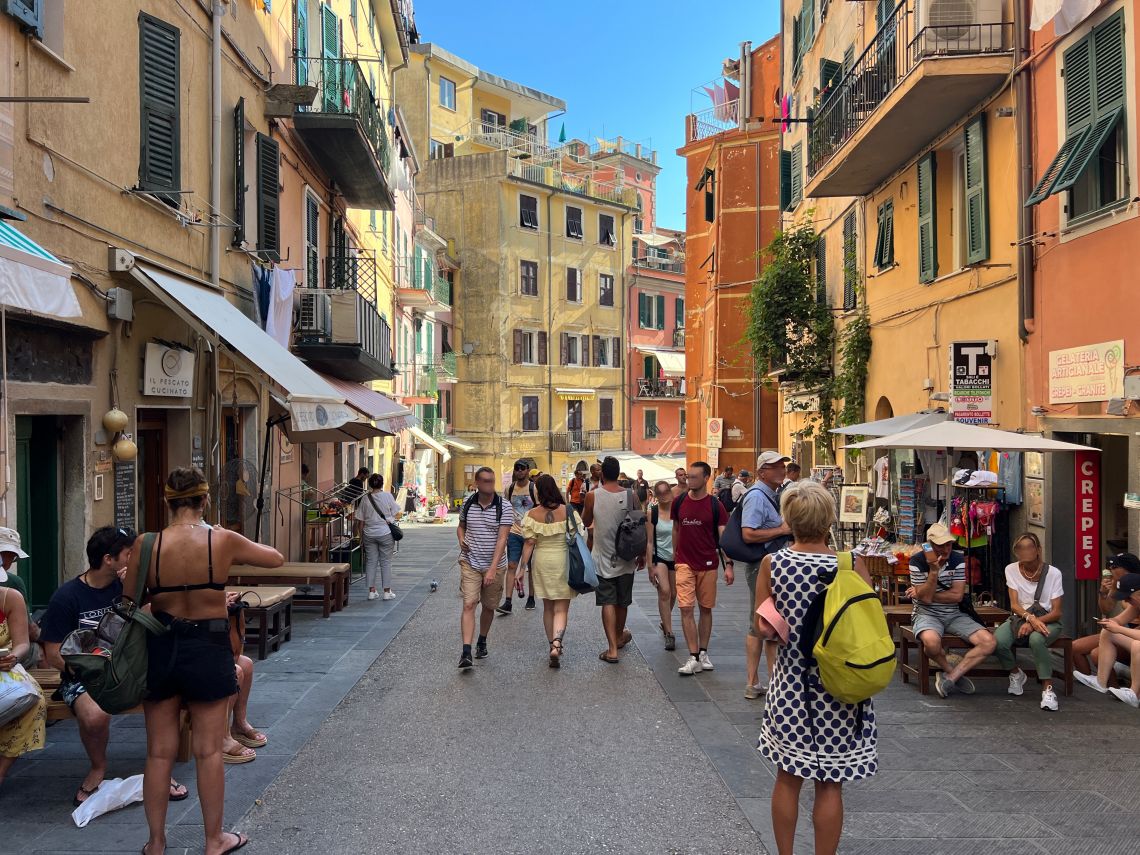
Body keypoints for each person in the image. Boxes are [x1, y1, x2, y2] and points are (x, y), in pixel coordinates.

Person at [122, 467, 283, 855]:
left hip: (161, 644)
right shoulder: (221, 540)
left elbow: (130, 599)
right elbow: (275, 558)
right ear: (204, 500)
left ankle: (156, 843)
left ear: (167, 502)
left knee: (159, 751)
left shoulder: (147, 544)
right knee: (209, 750)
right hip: (207, 645)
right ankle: (214, 840)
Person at [756, 481, 877, 855]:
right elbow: (868, 622)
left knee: (788, 778)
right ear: (829, 520)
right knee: (830, 784)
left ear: (790, 519)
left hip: (792, 684)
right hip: (841, 686)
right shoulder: (850, 564)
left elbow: (763, 626)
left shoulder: (773, 563)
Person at [39, 526, 188, 806]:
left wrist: (136, 592)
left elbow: (157, 618)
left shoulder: (129, 587)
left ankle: (159, 770)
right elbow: (53, 653)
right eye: (130, 554)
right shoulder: (67, 596)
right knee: (95, 716)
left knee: (166, 698)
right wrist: (91, 672)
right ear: (109, 559)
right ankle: (98, 768)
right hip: (87, 674)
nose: (136, 560)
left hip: (134, 667)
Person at [906, 522, 996, 698]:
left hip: (954, 613)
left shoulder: (957, 559)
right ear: (930, 545)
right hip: (926, 613)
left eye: (948, 544)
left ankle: (952, 676)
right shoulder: (916, 561)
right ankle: (949, 670)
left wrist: (923, 592)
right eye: (940, 545)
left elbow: (957, 596)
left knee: (989, 642)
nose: (946, 549)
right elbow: (925, 600)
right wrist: (933, 572)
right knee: (931, 644)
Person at [740, 452, 794, 698]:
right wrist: (780, 530)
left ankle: (760, 682)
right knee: (762, 621)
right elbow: (748, 534)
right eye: (775, 467)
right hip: (761, 566)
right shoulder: (757, 497)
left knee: (764, 620)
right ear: (762, 472)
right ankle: (758, 682)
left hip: (769, 565)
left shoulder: (769, 495)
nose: (782, 470)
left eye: (782, 466)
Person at [516, 475, 584, 668]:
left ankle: (550, 645)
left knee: (548, 607)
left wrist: (522, 569)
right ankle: (557, 644)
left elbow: (529, 543)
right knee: (561, 608)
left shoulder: (531, 514)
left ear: (538, 492)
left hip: (542, 561)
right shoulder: (568, 511)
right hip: (563, 560)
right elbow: (578, 535)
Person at [992, 533, 1064, 711]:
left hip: (1048, 620)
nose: (1024, 551)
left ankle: (1048, 689)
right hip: (1021, 618)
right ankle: (1016, 673)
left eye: (1029, 547)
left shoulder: (1053, 573)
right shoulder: (1011, 569)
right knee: (997, 642)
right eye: (1019, 548)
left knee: (1036, 640)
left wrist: (1035, 622)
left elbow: (1056, 612)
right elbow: (1015, 605)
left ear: (1038, 550)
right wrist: (1030, 619)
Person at [673, 462, 732, 675]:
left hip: (708, 563)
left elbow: (724, 537)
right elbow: (676, 528)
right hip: (684, 563)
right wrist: (675, 555)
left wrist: (729, 564)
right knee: (686, 608)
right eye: (689, 476)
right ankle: (693, 655)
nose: (690, 480)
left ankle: (703, 651)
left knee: (706, 608)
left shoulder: (716, 505)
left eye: (695, 477)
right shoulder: (679, 502)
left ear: (706, 478)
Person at [583, 456, 641, 663]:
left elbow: (586, 521)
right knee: (622, 602)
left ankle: (612, 649)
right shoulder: (630, 495)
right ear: (618, 473)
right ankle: (618, 637)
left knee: (608, 601)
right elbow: (639, 525)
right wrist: (642, 554)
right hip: (626, 557)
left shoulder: (592, 496)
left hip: (602, 556)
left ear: (602, 474)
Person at [456, 466, 513, 669]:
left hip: (495, 565)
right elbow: (461, 526)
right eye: (486, 481)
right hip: (470, 561)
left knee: (489, 606)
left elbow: (502, 538)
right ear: (477, 484)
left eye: (492, 480)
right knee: (469, 603)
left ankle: (482, 639)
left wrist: (492, 568)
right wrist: (462, 539)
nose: (490, 484)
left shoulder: (503, 506)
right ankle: (466, 651)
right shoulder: (468, 502)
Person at [0, 584, 45, 787]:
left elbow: (22, 643)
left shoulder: (10, 597)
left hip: (4, 670)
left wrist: (13, 656)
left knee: (32, 700)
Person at [1075, 572, 1140, 706]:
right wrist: (1109, 622)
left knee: (1137, 645)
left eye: (1128, 597)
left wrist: (1119, 628)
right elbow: (1119, 620)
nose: (1126, 601)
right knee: (1108, 632)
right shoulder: (1136, 605)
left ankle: (1134, 694)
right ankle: (1101, 682)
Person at [1073, 552, 1140, 677]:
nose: (1110, 570)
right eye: (1109, 567)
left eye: (1114, 567)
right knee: (1075, 647)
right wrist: (1103, 593)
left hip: (1133, 632)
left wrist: (1118, 626)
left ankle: (1113, 689)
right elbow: (1106, 609)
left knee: (1097, 654)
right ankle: (1097, 685)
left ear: (1127, 569)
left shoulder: (1136, 585)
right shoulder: (1117, 582)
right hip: (1125, 629)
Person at [354, 474, 402, 601]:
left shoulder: (365, 498)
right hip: (385, 533)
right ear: (381, 484)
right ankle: (387, 592)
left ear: (370, 484)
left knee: (371, 562)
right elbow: (397, 512)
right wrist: (389, 519)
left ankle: (371, 591)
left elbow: (360, 520)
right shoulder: (387, 496)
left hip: (369, 533)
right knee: (386, 562)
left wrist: (361, 536)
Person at [499, 460, 538, 615]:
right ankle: (508, 601)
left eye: (522, 468)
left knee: (531, 567)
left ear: (528, 470)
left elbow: (540, 508)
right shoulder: (509, 489)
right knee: (512, 566)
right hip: (514, 533)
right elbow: (505, 509)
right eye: (517, 469)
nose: (519, 471)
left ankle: (531, 597)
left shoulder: (533, 488)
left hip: (531, 533)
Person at [645, 481, 678, 651]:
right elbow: (649, 541)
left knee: (674, 594)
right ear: (656, 496)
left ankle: (664, 620)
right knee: (665, 591)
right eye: (661, 493)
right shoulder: (653, 513)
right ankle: (669, 633)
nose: (665, 496)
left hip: (677, 557)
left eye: (667, 492)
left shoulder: (678, 511)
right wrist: (650, 566)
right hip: (660, 557)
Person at [0, 529, 40, 665]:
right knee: (39, 651)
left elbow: (23, 640)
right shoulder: (15, 583)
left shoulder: (11, 594)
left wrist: (13, 657)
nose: (9, 560)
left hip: (5, 665)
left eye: (12, 556)